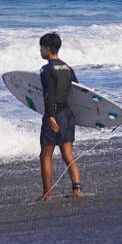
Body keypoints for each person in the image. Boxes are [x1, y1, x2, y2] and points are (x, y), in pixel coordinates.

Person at [37, 32, 84, 201]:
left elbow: (49, 94)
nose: (40, 51)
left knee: (45, 155)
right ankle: (77, 188)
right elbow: (78, 92)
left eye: (41, 47)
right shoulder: (67, 68)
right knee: (67, 153)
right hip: (68, 115)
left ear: (48, 49)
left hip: (55, 115)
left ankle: (47, 195)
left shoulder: (46, 69)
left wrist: (50, 116)